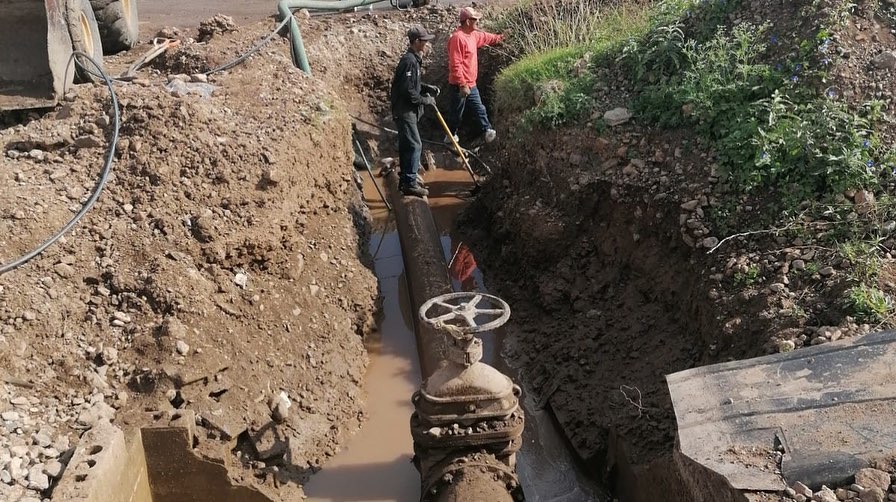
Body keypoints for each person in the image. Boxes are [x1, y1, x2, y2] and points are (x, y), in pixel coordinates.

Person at [390, 25, 441, 198]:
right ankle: (410, 183)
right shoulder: (409, 61)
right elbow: (408, 91)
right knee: (414, 144)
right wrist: (426, 100)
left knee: (407, 144)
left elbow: (412, 85)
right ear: (417, 42)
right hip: (405, 111)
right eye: (425, 41)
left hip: (406, 111)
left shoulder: (414, 60)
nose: (428, 45)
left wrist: (427, 87)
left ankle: (406, 179)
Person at [446, 6, 504, 145]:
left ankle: (487, 131)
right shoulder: (457, 38)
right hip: (459, 86)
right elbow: (455, 64)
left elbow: (486, 37)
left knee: (479, 109)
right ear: (467, 21)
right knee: (456, 114)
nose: (478, 22)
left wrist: (501, 37)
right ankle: (450, 136)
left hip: (471, 83)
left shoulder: (473, 35)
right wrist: (462, 84)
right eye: (475, 19)